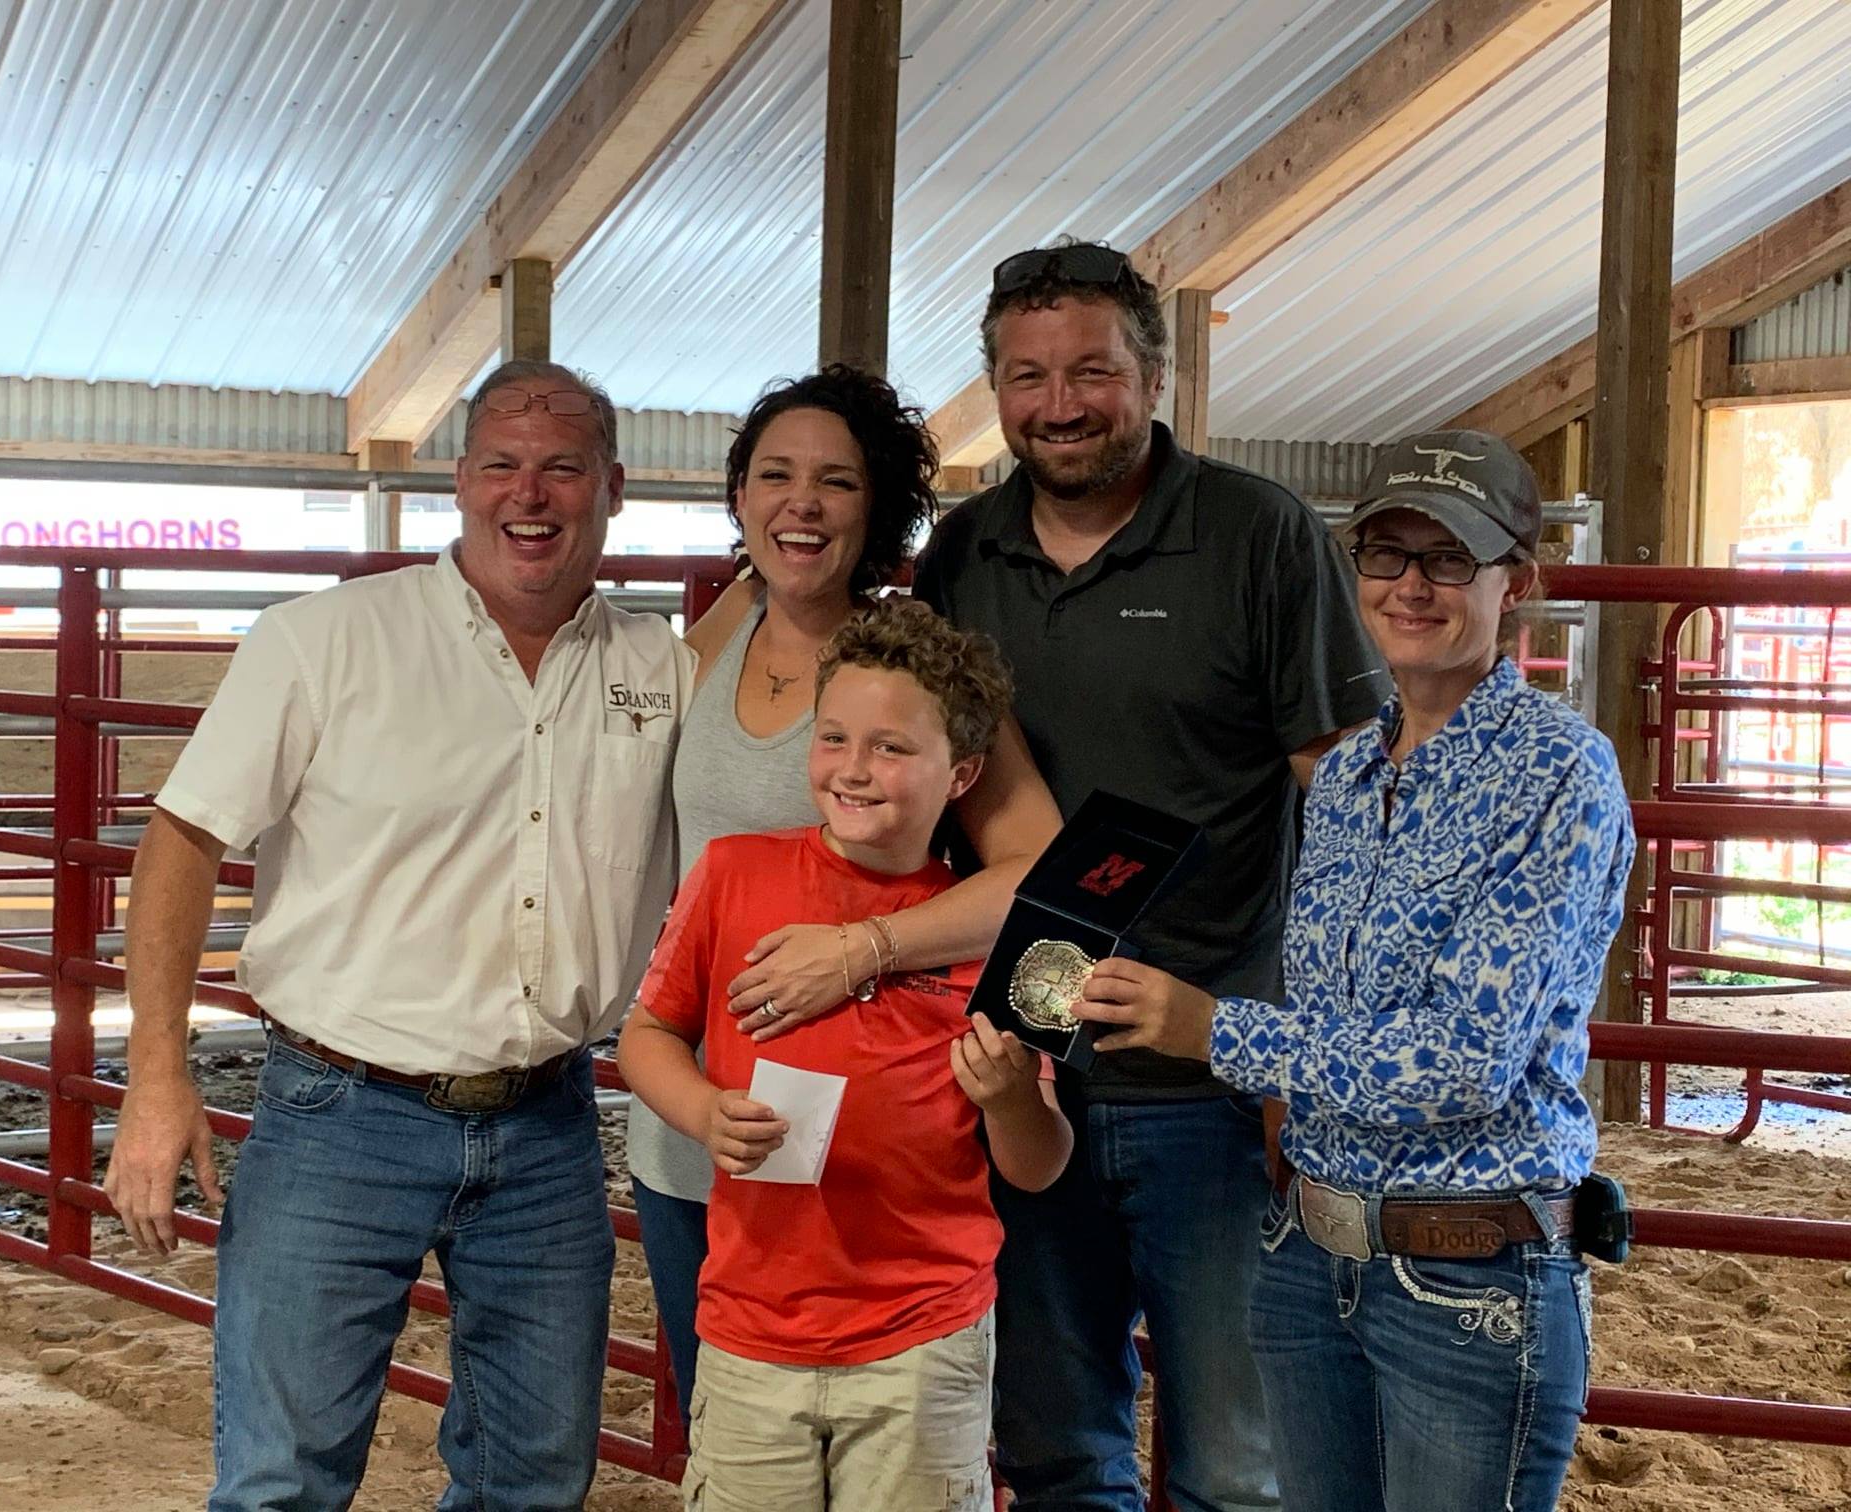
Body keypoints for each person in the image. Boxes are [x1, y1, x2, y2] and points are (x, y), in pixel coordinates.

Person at [104, 360, 691, 1510]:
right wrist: (156, 1076)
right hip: (338, 1113)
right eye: (504, 465)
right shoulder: (324, 640)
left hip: (549, 1122)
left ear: (612, 486)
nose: (532, 494)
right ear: (461, 483)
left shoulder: (661, 671)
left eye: (563, 467)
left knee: (533, 1480)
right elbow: (181, 841)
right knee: (283, 1480)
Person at [910, 240, 1391, 1512]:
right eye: (1027, 376)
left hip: (1215, 1075)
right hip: (1023, 1066)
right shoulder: (963, 556)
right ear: (996, 388)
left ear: (1156, 375)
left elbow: (1343, 804)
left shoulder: (1259, 534)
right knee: (1059, 1442)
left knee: (1241, 1456)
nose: (1059, 405)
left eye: (1092, 372)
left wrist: (1299, 1055)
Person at [1084, 431, 1634, 1512]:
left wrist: (1216, 1030)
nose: (1411, 586)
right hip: (1311, 1254)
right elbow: (1332, 1006)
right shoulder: (1341, 777)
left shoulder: (1558, 771)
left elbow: (1465, 1061)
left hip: (1470, 1269)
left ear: (1516, 580)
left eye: (1449, 559)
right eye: (1386, 555)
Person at [625, 364, 1060, 1423]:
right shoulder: (720, 627)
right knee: (732, 1427)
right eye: (773, 475)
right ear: (739, 498)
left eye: (837, 482)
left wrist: (865, 947)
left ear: (883, 509)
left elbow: (1045, 872)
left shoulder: (910, 668)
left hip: (865, 1131)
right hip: (706, 1111)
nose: (801, 505)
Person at [618, 597, 1073, 1512]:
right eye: (833, 739)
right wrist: (703, 1111)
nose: (854, 771)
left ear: (963, 773)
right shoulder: (734, 871)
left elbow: (1039, 1164)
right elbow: (648, 1034)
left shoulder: (1013, 937)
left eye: (893, 749)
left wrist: (1013, 1098)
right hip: (752, 1328)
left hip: (924, 1336)